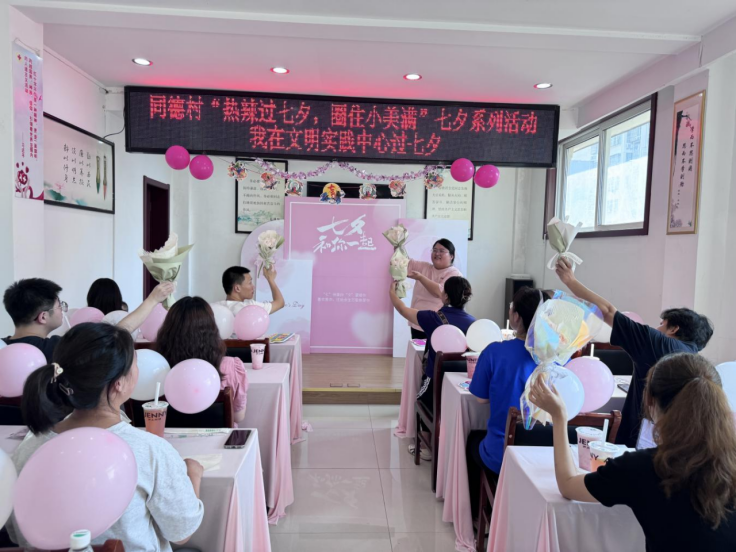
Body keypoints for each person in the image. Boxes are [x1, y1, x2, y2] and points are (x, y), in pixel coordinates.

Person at [6, 323, 204, 551]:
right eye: (136, 364)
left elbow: (15, 533)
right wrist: (194, 475)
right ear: (119, 383)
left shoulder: (29, 447)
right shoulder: (150, 451)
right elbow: (181, 532)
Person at [529, 353, 736, 551]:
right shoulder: (730, 461)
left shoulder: (646, 468)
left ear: (650, 401)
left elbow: (568, 485)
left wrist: (559, 417)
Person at [555, 257, 713, 447]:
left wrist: (570, 280)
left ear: (674, 329)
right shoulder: (701, 365)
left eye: (662, 324)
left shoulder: (657, 342)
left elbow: (607, 311)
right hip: (682, 445)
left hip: (642, 440)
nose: (657, 328)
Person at [466, 287, 549, 517]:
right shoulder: (558, 358)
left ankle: (477, 516)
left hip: (503, 453)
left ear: (516, 317)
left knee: (473, 440)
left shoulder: (495, 352)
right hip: (546, 458)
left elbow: (481, 398)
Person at [390, 275, 475, 459]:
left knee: (421, 398)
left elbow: (403, 309)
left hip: (435, 380)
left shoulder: (433, 318)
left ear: (446, 297)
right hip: (461, 383)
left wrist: (392, 294)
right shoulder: (473, 323)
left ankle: (425, 446)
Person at [2, 278, 175, 363]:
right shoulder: (58, 348)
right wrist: (152, 300)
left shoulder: (3, 347)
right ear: (43, 317)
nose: (63, 309)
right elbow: (116, 333)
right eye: (60, 306)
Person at [156, 297, 248, 423]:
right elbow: (238, 416)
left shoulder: (154, 368)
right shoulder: (231, 367)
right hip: (218, 436)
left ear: (167, 330)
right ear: (212, 329)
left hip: (162, 435)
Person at [406, 239, 463, 340]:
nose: (437, 253)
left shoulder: (454, 274)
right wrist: (398, 247)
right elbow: (405, 263)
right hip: (417, 320)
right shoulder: (424, 267)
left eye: (441, 251)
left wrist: (420, 277)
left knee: (434, 349)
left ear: (452, 255)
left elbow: (439, 292)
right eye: (435, 250)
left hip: (437, 323)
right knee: (418, 349)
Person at [215, 266, 284, 317]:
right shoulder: (249, 307)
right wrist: (270, 279)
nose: (253, 286)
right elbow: (280, 302)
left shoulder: (215, 308)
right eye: (250, 283)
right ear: (237, 288)